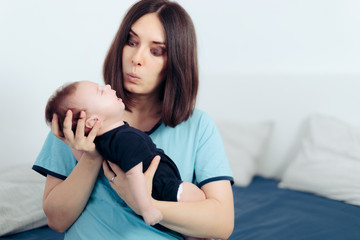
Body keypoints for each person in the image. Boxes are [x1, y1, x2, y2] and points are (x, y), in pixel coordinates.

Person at [33, 0, 234, 239]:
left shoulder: (198, 126)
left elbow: (221, 224)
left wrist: (144, 205)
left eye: (156, 50)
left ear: (176, 62)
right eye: (131, 42)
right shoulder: (81, 115)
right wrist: (91, 157)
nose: (136, 58)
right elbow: (56, 220)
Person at [44, 80, 206, 228]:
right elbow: (134, 175)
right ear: (93, 121)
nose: (107, 87)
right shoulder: (125, 138)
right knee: (198, 199)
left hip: (163, 191)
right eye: (100, 92)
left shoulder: (100, 143)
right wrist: (147, 208)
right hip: (167, 189)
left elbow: (82, 157)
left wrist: (75, 145)